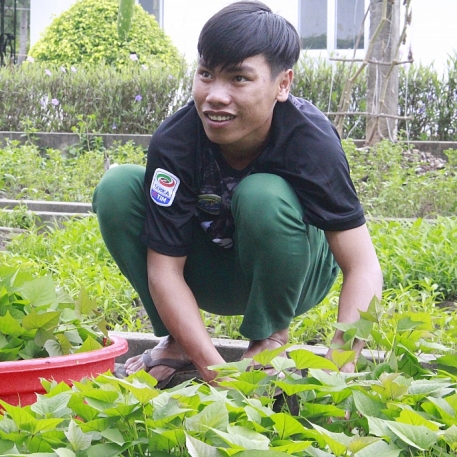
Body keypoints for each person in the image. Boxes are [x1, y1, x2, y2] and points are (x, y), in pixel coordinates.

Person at [92, 0, 383, 387]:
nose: (215, 95)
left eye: (239, 79)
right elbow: (164, 271)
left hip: (298, 277)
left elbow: (363, 266)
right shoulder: (176, 141)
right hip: (211, 274)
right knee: (117, 188)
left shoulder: (309, 140)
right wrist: (216, 372)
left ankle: (269, 338)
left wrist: (339, 364)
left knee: (263, 194)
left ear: (283, 84)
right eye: (206, 74)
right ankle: (179, 342)